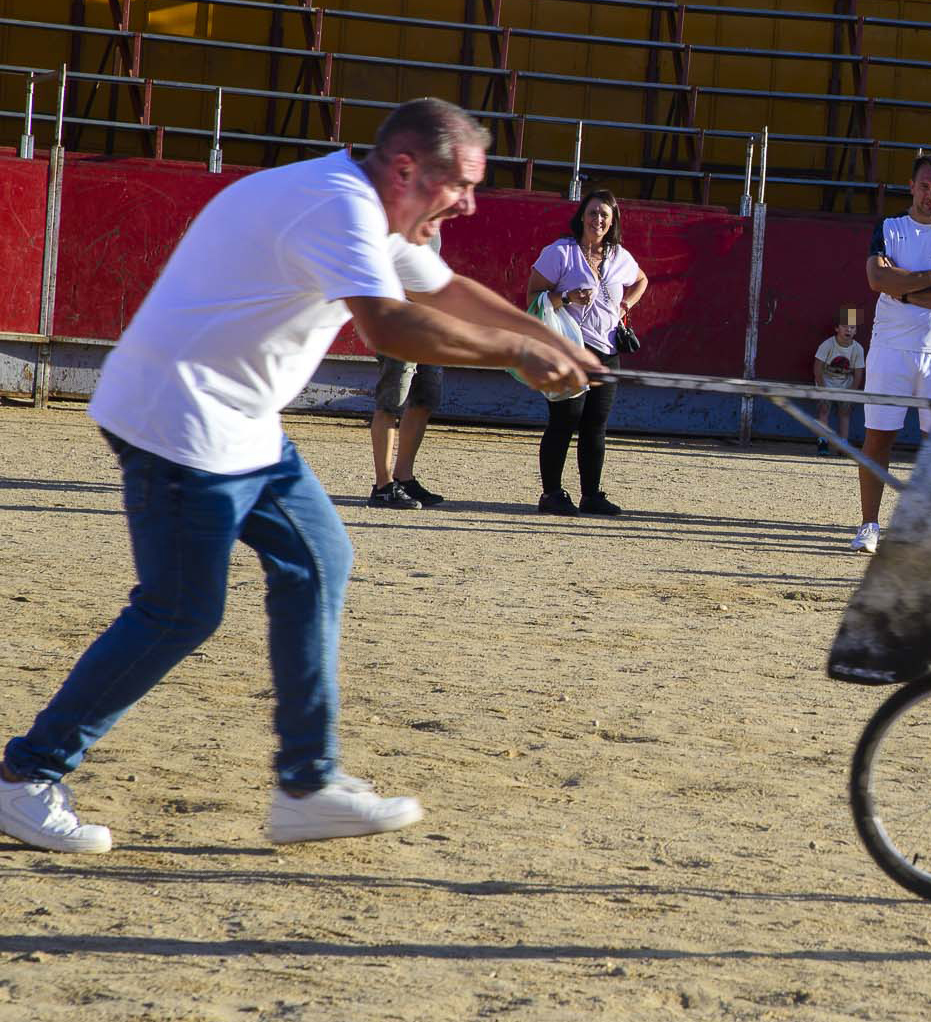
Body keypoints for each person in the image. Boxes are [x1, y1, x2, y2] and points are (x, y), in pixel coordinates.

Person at [0, 98, 596, 856]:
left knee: (319, 560)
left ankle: (307, 785)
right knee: (181, 611)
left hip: (242, 421)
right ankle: (26, 775)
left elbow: (441, 290)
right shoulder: (338, 206)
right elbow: (388, 322)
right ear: (408, 168)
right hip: (176, 419)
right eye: (463, 185)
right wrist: (514, 354)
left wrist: (550, 336)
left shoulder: (381, 209)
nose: (471, 204)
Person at [852, 154, 931, 555]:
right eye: (925, 186)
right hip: (890, 346)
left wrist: (903, 288)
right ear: (911, 186)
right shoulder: (889, 228)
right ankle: (869, 524)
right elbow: (876, 278)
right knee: (878, 436)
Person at [525, 189, 646, 517]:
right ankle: (551, 493)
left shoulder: (619, 256)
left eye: (605, 215)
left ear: (613, 221)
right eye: (593, 213)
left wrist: (625, 306)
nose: (598, 220)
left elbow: (642, 280)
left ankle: (591, 494)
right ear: (581, 216)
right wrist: (566, 298)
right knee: (564, 421)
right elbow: (533, 297)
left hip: (606, 351)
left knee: (595, 425)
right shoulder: (561, 252)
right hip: (570, 349)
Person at [366, 222, 446, 510]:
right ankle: (383, 484)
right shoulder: (391, 220)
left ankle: (403, 476)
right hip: (397, 321)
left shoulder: (430, 222)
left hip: (426, 322)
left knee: (425, 399)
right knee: (391, 402)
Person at [812, 304, 866, 454]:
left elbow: (858, 373)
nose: (849, 330)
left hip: (845, 384)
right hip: (826, 381)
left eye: (852, 327)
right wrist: (823, 388)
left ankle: (843, 444)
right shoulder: (828, 345)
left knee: (845, 411)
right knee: (824, 409)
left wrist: (851, 394)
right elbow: (817, 367)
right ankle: (823, 441)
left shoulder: (858, 349)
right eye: (845, 326)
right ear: (837, 329)